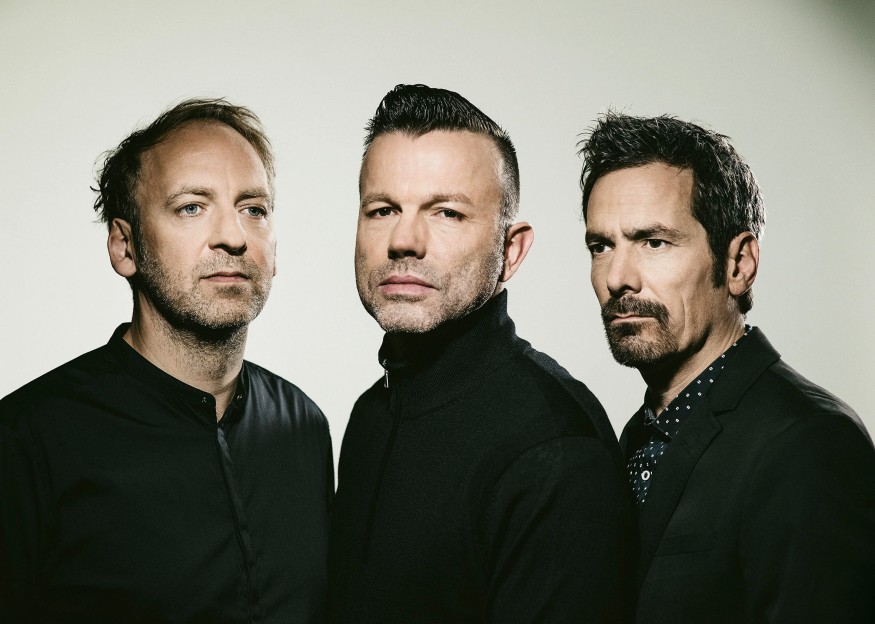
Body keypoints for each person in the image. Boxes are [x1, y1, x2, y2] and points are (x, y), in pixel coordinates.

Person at [0, 99, 333, 623]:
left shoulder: (304, 426)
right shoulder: (25, 442)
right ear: (124, 247)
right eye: (191, 207)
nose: (233, 237)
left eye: (254, 209)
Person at [328, 84, 633, 623]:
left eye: (446, 213)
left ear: (511, 250)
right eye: (382, 209)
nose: (404, 239)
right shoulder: (370, 416)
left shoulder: (557, 450)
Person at [578, 112, 875, 623]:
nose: (617, 277)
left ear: (738, 264)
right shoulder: (639, 437)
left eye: (654, 242)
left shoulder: (809, 443)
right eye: (601, 246)